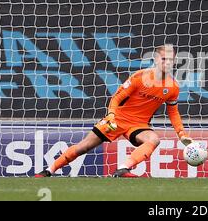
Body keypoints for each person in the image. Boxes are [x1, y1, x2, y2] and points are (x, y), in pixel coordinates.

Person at [35, 44, 193, 178]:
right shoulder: (139, 77)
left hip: (138, 125)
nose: (167, 63)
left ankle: (124, 168)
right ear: (156, 59)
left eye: (171, 60)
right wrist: (111, 115)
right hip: (116, 119)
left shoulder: (173, 87)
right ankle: (49, 170)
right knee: (84, 146)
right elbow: (116, 98)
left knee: (153, 139)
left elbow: (173, 112)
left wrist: (181, 134)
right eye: (164, 59)